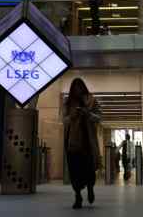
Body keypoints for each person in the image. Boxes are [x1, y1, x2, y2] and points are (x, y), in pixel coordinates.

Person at [62, 78, 102, 209]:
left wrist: (87, 113)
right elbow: (63, 120)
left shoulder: (92, 100)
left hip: (87, 143)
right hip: (72, 143)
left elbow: (99, 117)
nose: (77, 90)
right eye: (75, 87)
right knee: (75, 172)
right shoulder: (67, 102)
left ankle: (90, 188)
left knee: (89, 170)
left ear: (83, 88)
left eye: (80, 87)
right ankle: (77, 196)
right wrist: (71, 116)